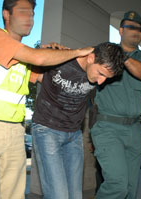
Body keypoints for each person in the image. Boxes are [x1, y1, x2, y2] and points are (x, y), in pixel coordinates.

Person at [0, 0, 93, 199]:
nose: (29, 18)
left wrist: (60, 58)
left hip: (14, 132)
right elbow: (37, 58)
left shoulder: (23, 57)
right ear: (6, 14)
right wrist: (78, 52)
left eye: (32, 14)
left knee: (14, 195)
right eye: (23, 12)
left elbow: (44, 77)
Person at [31, 42, 125, 199]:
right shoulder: (60, 58)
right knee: (58, 195)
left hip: (74, 134)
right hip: (47, 130)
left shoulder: (96, 77)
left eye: (106, 78)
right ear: (90, 58)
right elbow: (32, 60)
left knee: (75, 195)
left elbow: (95, 106)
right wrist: (48, 50)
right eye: (101, 73)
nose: (101, 82)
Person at [90, 11, 141, 199]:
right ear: (120, 30)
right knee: (117, 185)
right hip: (108, 128)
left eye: (140, 28)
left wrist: (123, 57)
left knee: (129, 189)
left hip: (134, 130)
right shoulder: (105, 54)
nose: (136, 31)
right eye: (131, 27)